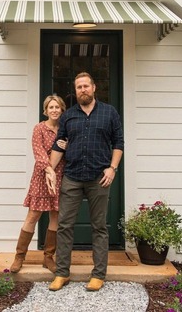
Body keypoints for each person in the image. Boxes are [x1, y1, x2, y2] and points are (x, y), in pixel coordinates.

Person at [45, 72, 124, 292]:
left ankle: (98, 274)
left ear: (94, 87)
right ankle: (62, 273)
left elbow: (118, 142)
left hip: (99, 178)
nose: (83, 90)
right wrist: (49, 170)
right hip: (72, 177)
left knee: (99, 227)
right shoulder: (68, 116)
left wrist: (113, 168)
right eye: (79, 87)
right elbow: (60, 145)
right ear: (76, 90)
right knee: (64, 226)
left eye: (86, 86)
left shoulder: (109, 113)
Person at [10, 95, 67, 273]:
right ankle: (19, 257)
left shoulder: (65, 129)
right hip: (42, 177)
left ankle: (48, 257)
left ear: (62, 109)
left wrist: (66, 146)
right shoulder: (39, 128)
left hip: (61, 176)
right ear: (46, 110)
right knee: (33, 216)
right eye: (51, 107)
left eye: (57, 107)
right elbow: (39, 152)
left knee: (55, 216)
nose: (54, 110)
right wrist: (49, 170)